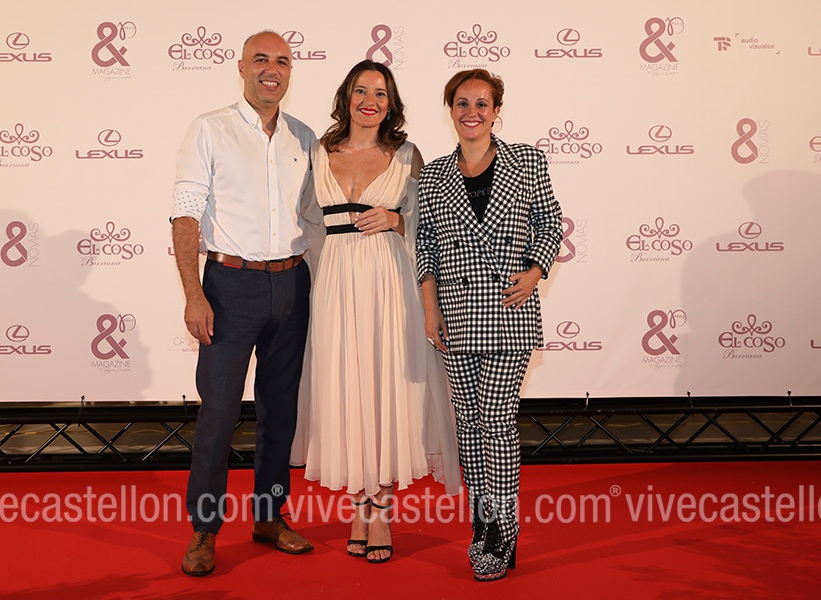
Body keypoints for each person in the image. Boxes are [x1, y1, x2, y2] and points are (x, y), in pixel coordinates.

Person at [291, 60, 461, 564]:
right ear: (346, 97)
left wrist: (397, 219)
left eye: (381, 93)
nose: (370, 101)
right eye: (361, 91)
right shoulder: (316, 153)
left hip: (391, 284)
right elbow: (304, 225)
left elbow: (433, 227)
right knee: (345, 390)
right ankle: (357, 506)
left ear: (391, 104)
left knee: (388, 392)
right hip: (335, 286)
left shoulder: (407, 155)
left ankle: (381, 510)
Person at [170, 30, 320, 577]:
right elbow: (185, 214)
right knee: (219, 413)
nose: (271, 70)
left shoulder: (304, 137)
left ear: (290, 72)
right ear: (241, 67)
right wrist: (194, 294)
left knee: (281, 411)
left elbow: (320, 215)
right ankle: (205, 529)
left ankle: (269, 516)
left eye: (282, 61)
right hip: (229, 287)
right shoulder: (209, 129)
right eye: (261, 59)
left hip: (292, 284)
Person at [416, 69, 563, 581]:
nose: (472, 111)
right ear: (450, 110)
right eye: (462, 103)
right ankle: (482, 521)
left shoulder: (527, 161)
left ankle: (503, 526)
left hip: (508, 313)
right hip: (456, 317)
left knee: (495, 421)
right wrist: (430, 309)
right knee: (469, 426)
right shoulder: (433, 175)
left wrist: (536, 269)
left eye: (482, 103)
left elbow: (550, 222)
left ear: (497, 110)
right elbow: (426, 245)